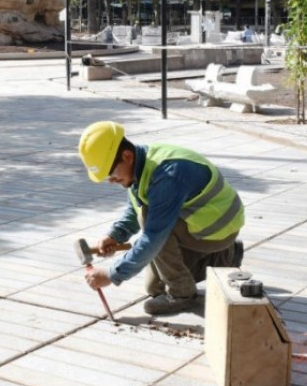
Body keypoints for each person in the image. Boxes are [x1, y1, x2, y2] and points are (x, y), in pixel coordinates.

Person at [77, 121, 244, 315]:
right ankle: (226, 255)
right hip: (197, 227)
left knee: (150, 221)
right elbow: (135, 207)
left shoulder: (168, 175)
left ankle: (183, 295)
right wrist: (116, 236)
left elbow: (154, 236)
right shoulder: (139, 168)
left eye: (111, 173)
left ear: (127, 156)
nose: (111, 180)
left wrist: (112, 274)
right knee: (154, 288)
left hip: (219, 228)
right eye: (106, 177)